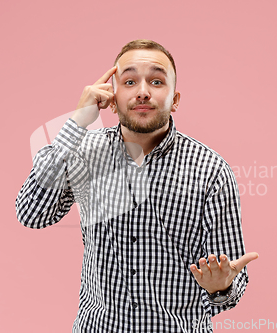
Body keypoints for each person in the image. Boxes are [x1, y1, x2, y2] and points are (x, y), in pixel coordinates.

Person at [15, 39, 258, 333]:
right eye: (129, 81)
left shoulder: (211, 170)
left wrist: (221, 288)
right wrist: (77, 122)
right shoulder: (82, 152)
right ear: (112, 99)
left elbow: (231, 280)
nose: (143, 91)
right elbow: (32, 213)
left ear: (175, 99)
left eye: (156, 81)